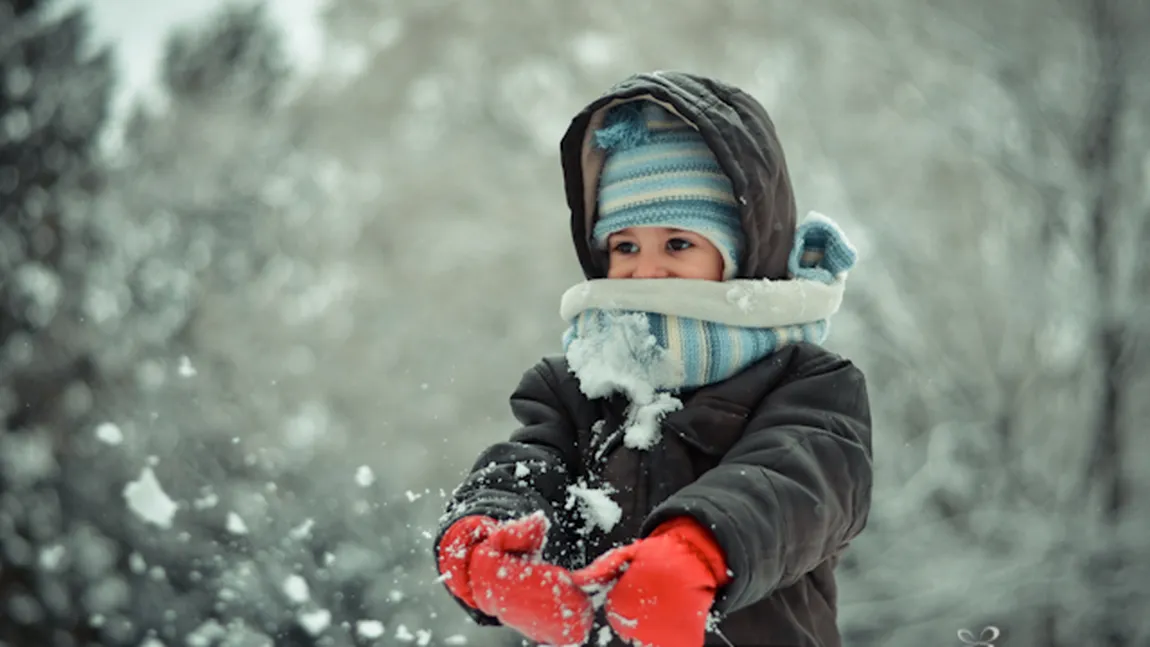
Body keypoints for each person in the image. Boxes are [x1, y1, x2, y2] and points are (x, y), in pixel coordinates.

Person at [433, 71, 872, 647]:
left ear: (739, 253)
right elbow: (528, 466)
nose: (648, 269)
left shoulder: (809, 384)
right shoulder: (576, 385)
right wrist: (481, 541)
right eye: (625, 246)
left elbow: (794, 481)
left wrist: (696, 548)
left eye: (679, 243)